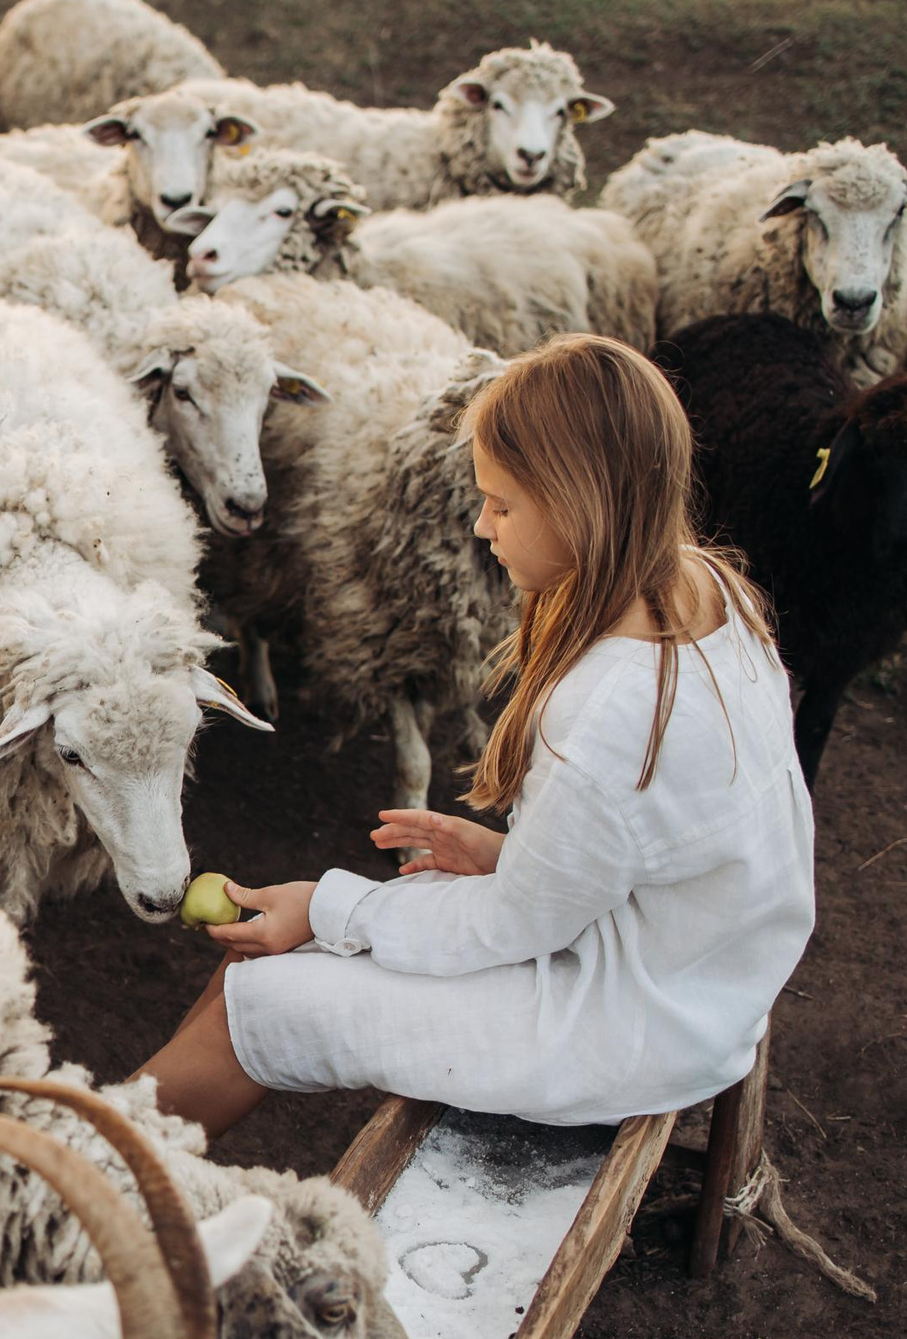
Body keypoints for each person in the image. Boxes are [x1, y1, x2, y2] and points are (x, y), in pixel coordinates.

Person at [138, 334, 816, 1136]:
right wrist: (510, 856)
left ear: (576, 502)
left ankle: (77, 1174)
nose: (482, 524)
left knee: (254, 1003)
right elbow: (653, 844)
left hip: (626, 1019)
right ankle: (101, 1147)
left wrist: (323, 904)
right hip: (696, 968)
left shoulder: (610, 713)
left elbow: (509, 927)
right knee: (251, 971)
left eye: (502, 503)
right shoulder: (705, 587)